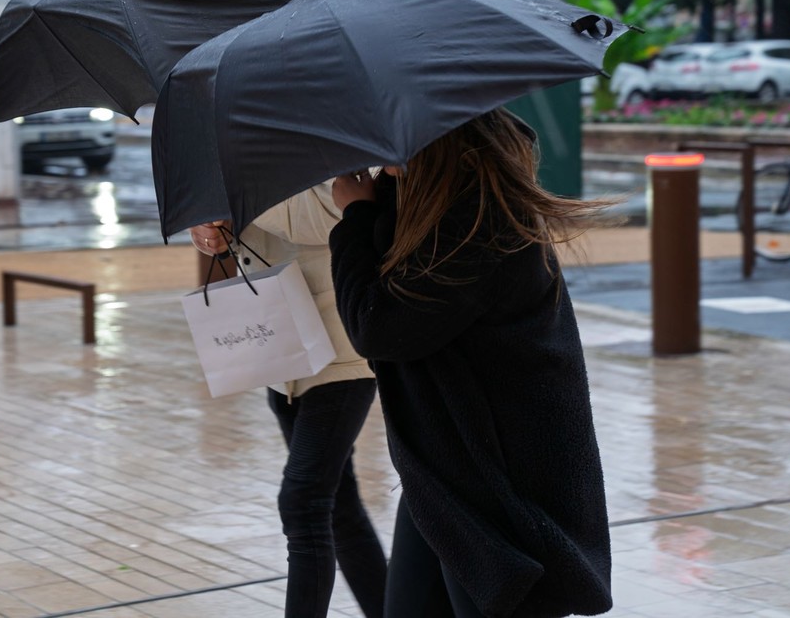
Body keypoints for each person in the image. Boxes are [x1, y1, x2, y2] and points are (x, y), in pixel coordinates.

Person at [327, 108, 614, 618]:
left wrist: (356, 217)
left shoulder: (477, 220)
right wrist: (380, 193)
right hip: (447, 471)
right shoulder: (436, 196)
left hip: (501, 487)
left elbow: (380, 328)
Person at [190, 183, 387, 618]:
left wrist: (245, 199)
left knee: (304, 500)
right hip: (282, 340)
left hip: (342, 342)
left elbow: (331, 214)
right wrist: (214, 232)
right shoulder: (239, 147)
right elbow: (249, 241)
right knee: (338, 504)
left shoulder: (323, 132)